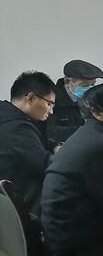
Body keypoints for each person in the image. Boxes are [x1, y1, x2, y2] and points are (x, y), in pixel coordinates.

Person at [40, 83, 103, 256]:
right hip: (76, 247)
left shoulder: (88, 134)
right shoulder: (102, 146)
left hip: (60, 234)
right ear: (97, 113)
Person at [0, 71, 58, 217]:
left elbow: (29, 145)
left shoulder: (7, 116)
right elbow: (44, 164)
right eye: (49, 104)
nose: (51, 111)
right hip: (23, 207)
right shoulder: (16, 127)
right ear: (31, 98)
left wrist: (53, 146)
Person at [48, 59, 103, 143]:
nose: (89, 89)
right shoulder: (51, 101)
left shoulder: (93, 100)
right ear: (67, 82)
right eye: (84, 85)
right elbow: (50, 131)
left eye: (93, 84)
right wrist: (87, 131)